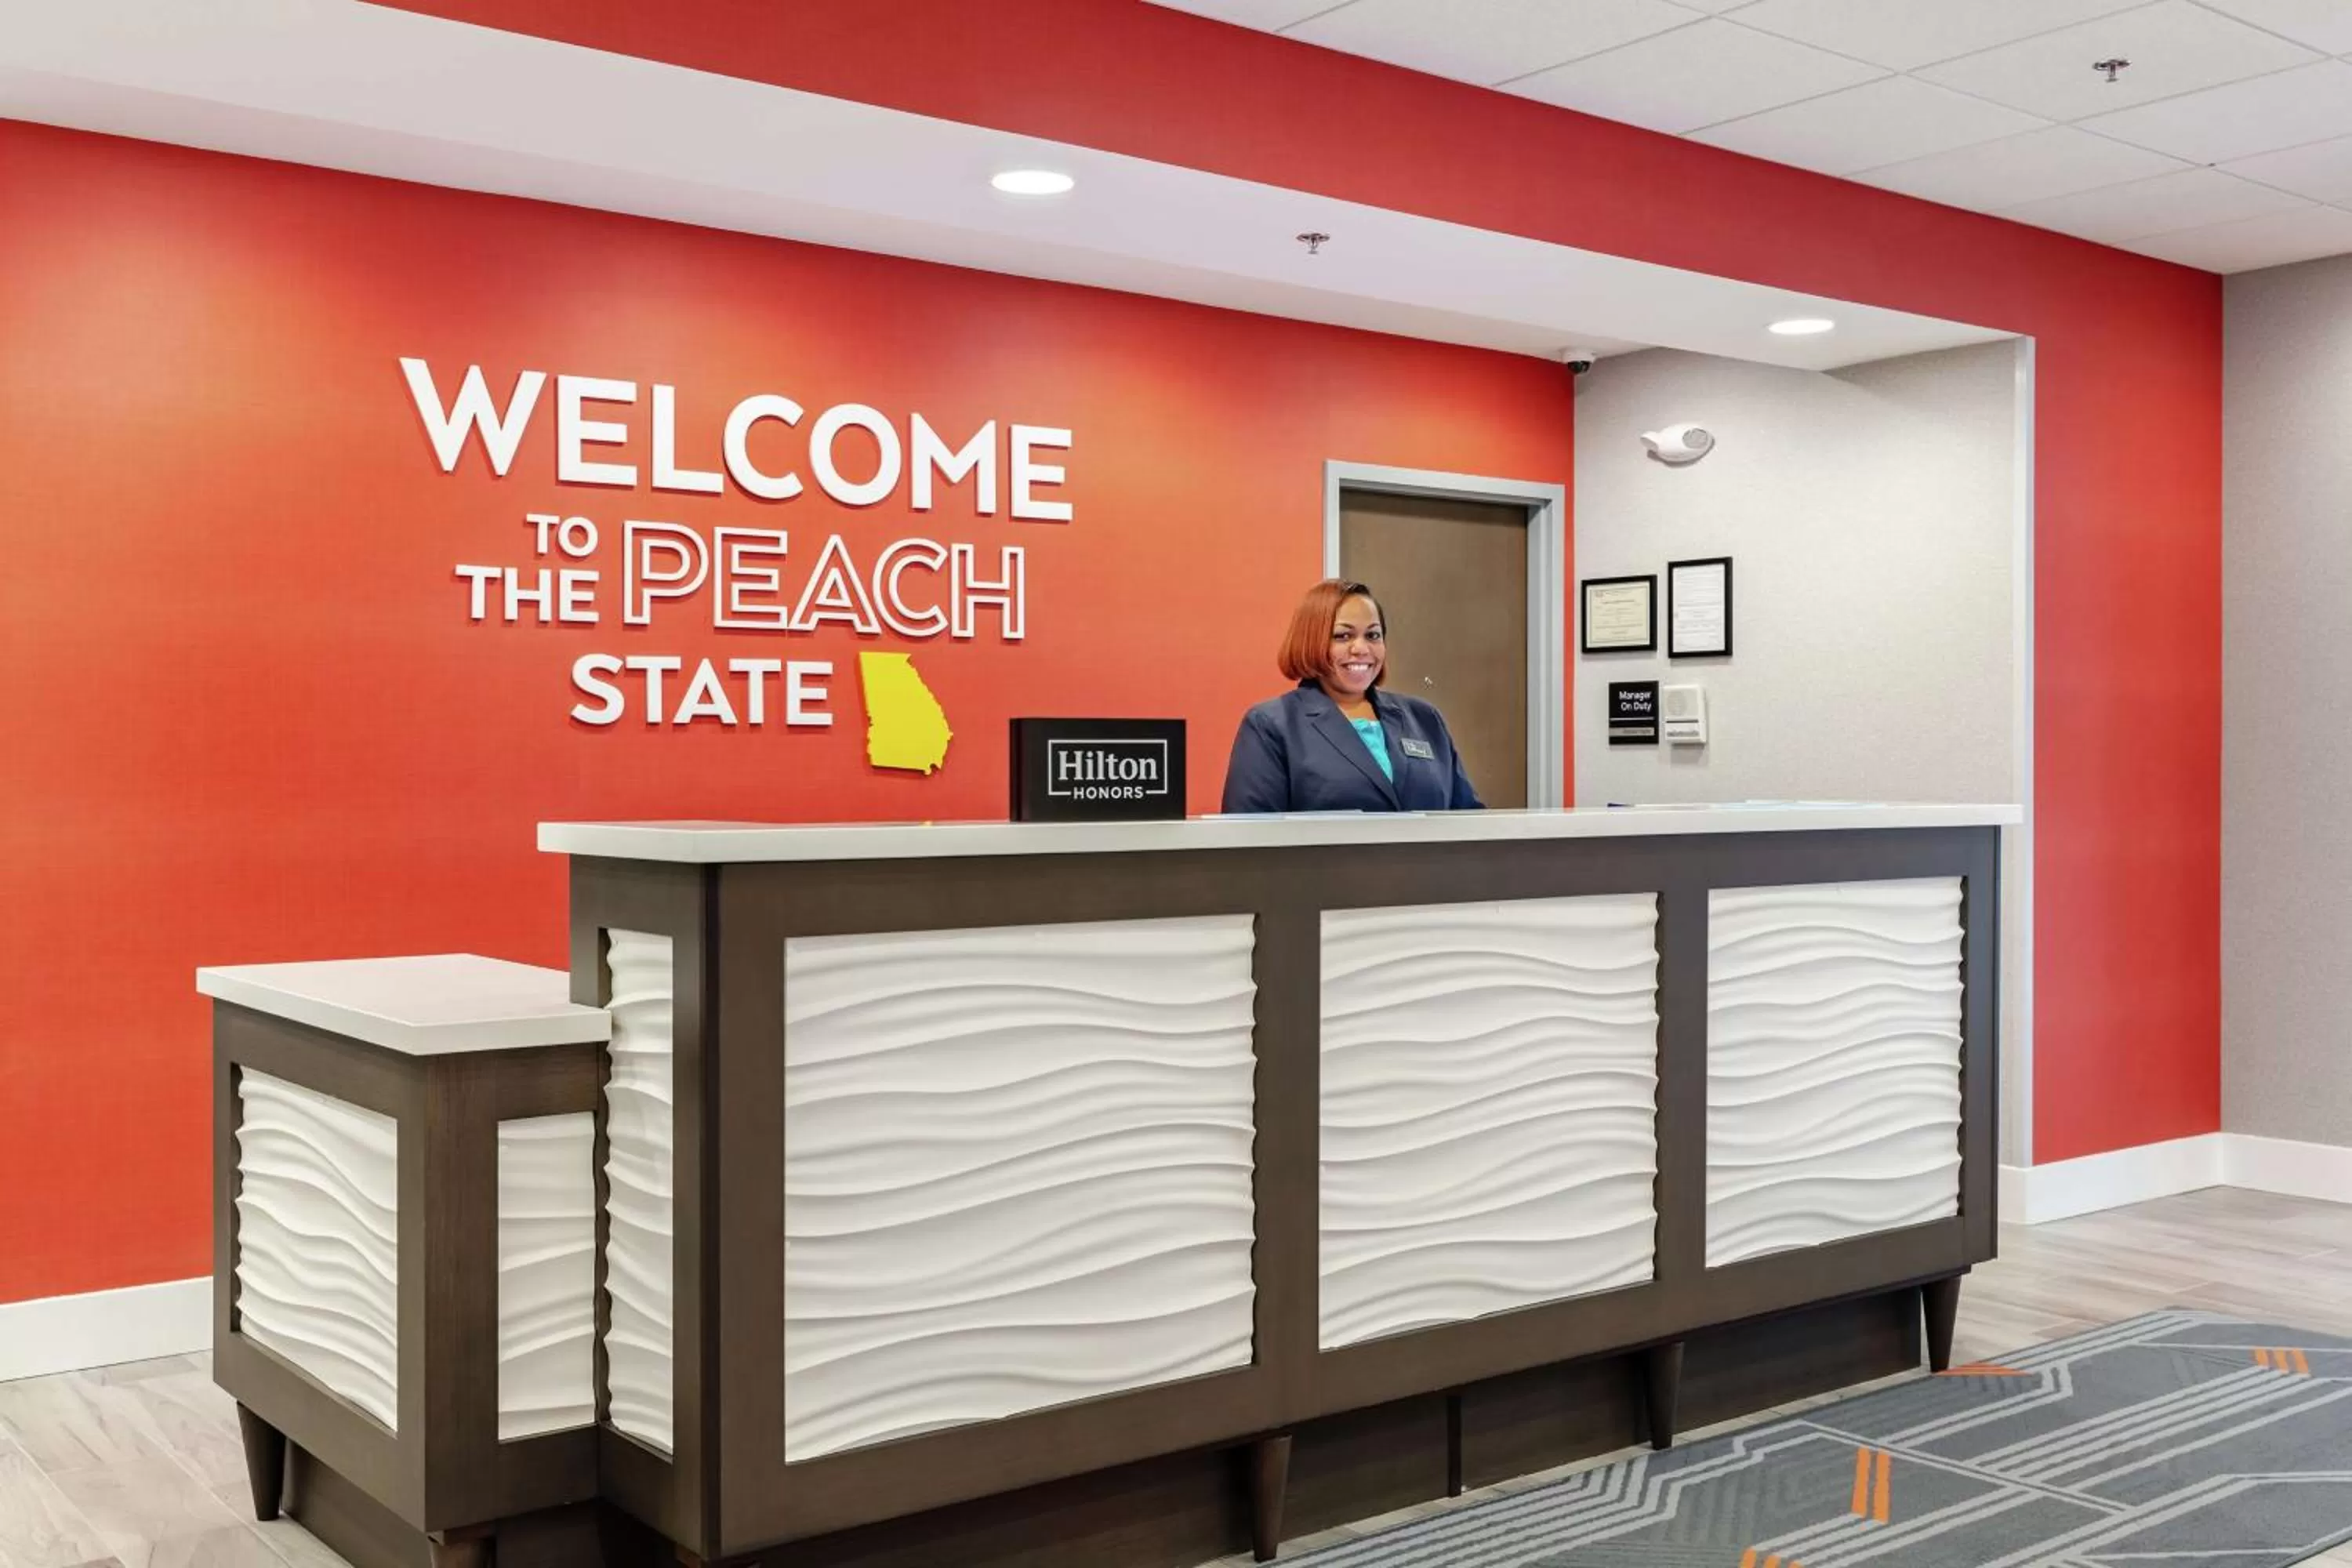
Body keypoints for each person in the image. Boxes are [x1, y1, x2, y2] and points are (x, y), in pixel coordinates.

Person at [1220, 578, 1483, 814]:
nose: (1361, 648)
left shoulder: (1424, 719)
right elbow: (1250, 841)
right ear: (1312, 641)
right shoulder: (1271, 725)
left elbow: (1469, 818)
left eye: (1373, 635)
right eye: (1343, 636)